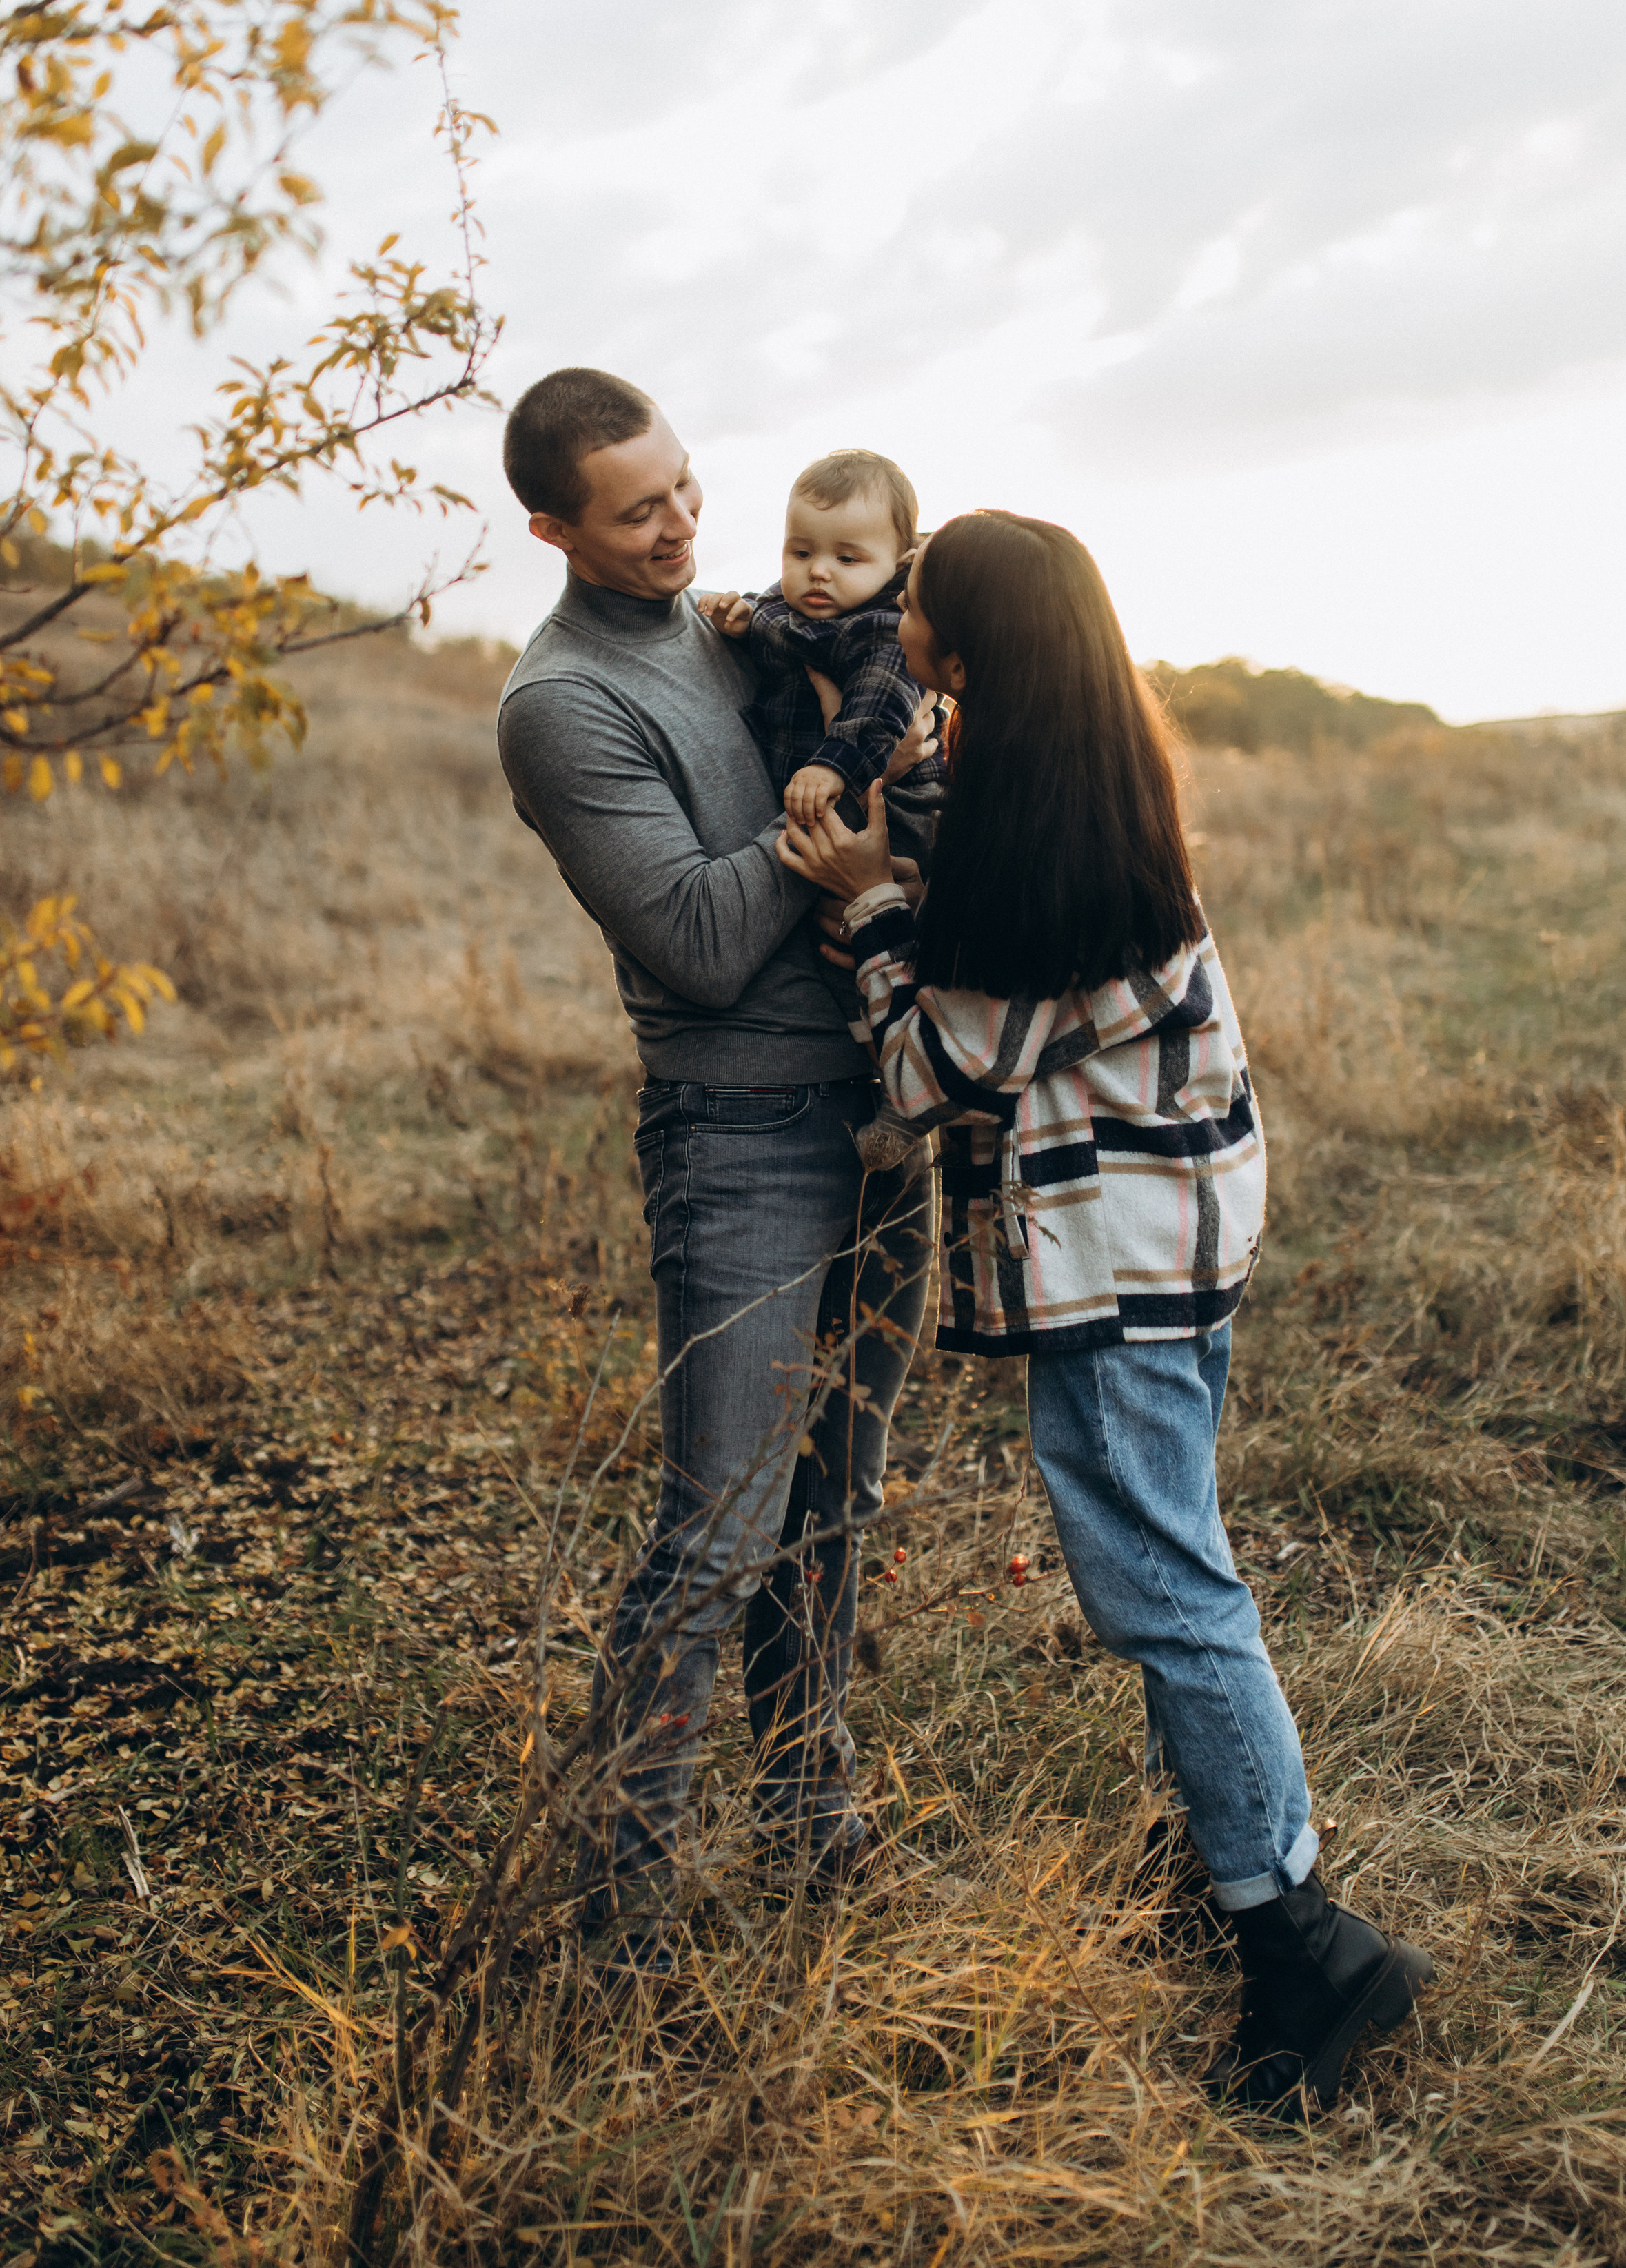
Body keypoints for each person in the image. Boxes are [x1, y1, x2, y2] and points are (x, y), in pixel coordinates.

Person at [776, 509, 1434, 2116]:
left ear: (970, 640)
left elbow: (934, 1070)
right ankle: (1241, 1869)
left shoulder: (1049, 836)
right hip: (1164, 1224)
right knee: (1168, 1561)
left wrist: (864, 905)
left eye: (917, 598)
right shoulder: (1054, 764)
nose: (898, 609)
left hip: (1123, 1251)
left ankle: (1298, 1939)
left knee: (1161, 1586)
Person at [494, 368, 935, 1971]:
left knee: (836, 1497)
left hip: (878, 1114)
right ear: (552, 528)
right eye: (637, 510)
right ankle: (620, 1912)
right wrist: (831, 831)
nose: (681, 523)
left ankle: (811, 1814)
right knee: (721, 1523)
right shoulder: (558, 702)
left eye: (686, 486)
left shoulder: (747, 622)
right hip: (736, 1135)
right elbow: (686, 936)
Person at [699, 445, 944, 1168]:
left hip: (892, 808)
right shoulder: (795, 608)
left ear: (896, 563)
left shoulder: (883, 631)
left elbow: (875, 717)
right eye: (800, 550)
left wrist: (830, 768)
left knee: (870, 953)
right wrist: (743, 618)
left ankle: (905, 1109)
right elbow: (782, 624)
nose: (818, 572)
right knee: (837, 956)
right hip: (826, 809)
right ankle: (883, 1083)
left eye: (846, 557)